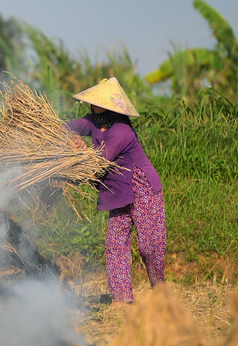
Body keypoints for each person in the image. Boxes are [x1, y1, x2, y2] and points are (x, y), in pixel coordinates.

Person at [65, 78, 166, 304]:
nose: (93, 106)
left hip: (142, 189)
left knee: (149, 247)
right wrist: (73, 137)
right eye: (93, 102)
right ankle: (122, 301)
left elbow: (99, 160)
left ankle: (160, 292)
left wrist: (81, 152)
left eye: (98, 102)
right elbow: (68, 126)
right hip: (118, 190)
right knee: (115, 244)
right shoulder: (93, 121)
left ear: (109, 106)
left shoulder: (122, 131)